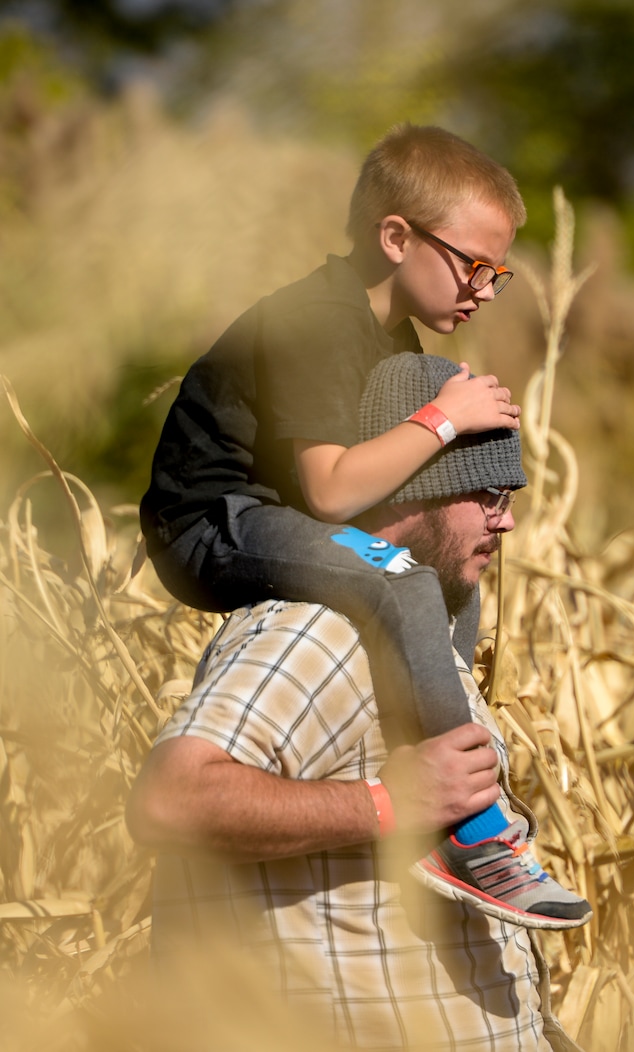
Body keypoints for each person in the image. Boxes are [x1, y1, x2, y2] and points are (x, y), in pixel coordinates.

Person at [139, 123, 581, 925]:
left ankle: (448, 753)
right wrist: (447, 417)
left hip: (274, 510)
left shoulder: (385, 332)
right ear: (395, 237)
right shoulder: (316, 320)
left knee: (447, 584)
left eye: (500, 273)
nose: (487, 288)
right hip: (213, 522)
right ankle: (468, 833)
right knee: (404, 580)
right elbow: (334, 491)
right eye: (475, 264)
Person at [127, 353, 590, 1052]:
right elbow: (172, 797)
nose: (508, 524)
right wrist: (390, 806)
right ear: (415, 488)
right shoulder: (320, 630)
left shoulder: (415, 633)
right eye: (490, 495)